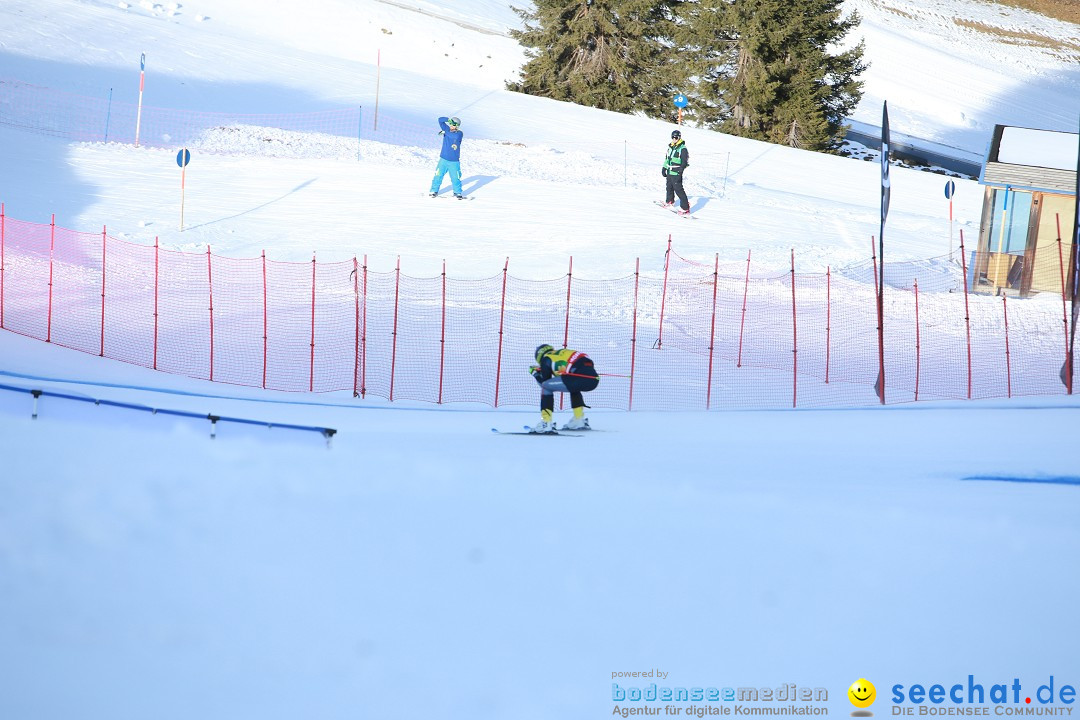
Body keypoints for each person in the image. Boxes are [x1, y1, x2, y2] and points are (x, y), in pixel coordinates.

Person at [529, 344, 599, 433]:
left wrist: (535, 374)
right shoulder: (562, 353)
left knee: (546, 387)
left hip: (577, 378)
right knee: (573, 387)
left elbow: (545, 384)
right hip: (593, 380)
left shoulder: (546, 358)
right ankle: (579, 420)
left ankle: (546, 423)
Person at [429, 116, 465, 199]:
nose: (451, 126)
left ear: (457, 126)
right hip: (443, 159)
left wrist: (445, 132)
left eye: (453, 125)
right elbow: (440, 120)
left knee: (456, 177)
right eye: (450, 124)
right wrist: (448, 119)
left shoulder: (459, 133)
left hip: (454, 161)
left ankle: (457, 192)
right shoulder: (447, 129)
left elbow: (454, 137)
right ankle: (434, 190)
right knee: (438, 175)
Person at [661, 129, 690, 215]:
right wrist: (664, 168)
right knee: (669, 187)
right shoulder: (670, 147)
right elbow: (667, 159)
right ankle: (670, 201)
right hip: (670, 171)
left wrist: (680, 170)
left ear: (679, 138)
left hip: (677, 171)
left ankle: (685, 208)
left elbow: (684, 161)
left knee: (679, 190)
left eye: (676, 137)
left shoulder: (683, 148)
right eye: (673, 137)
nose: (674, 139)